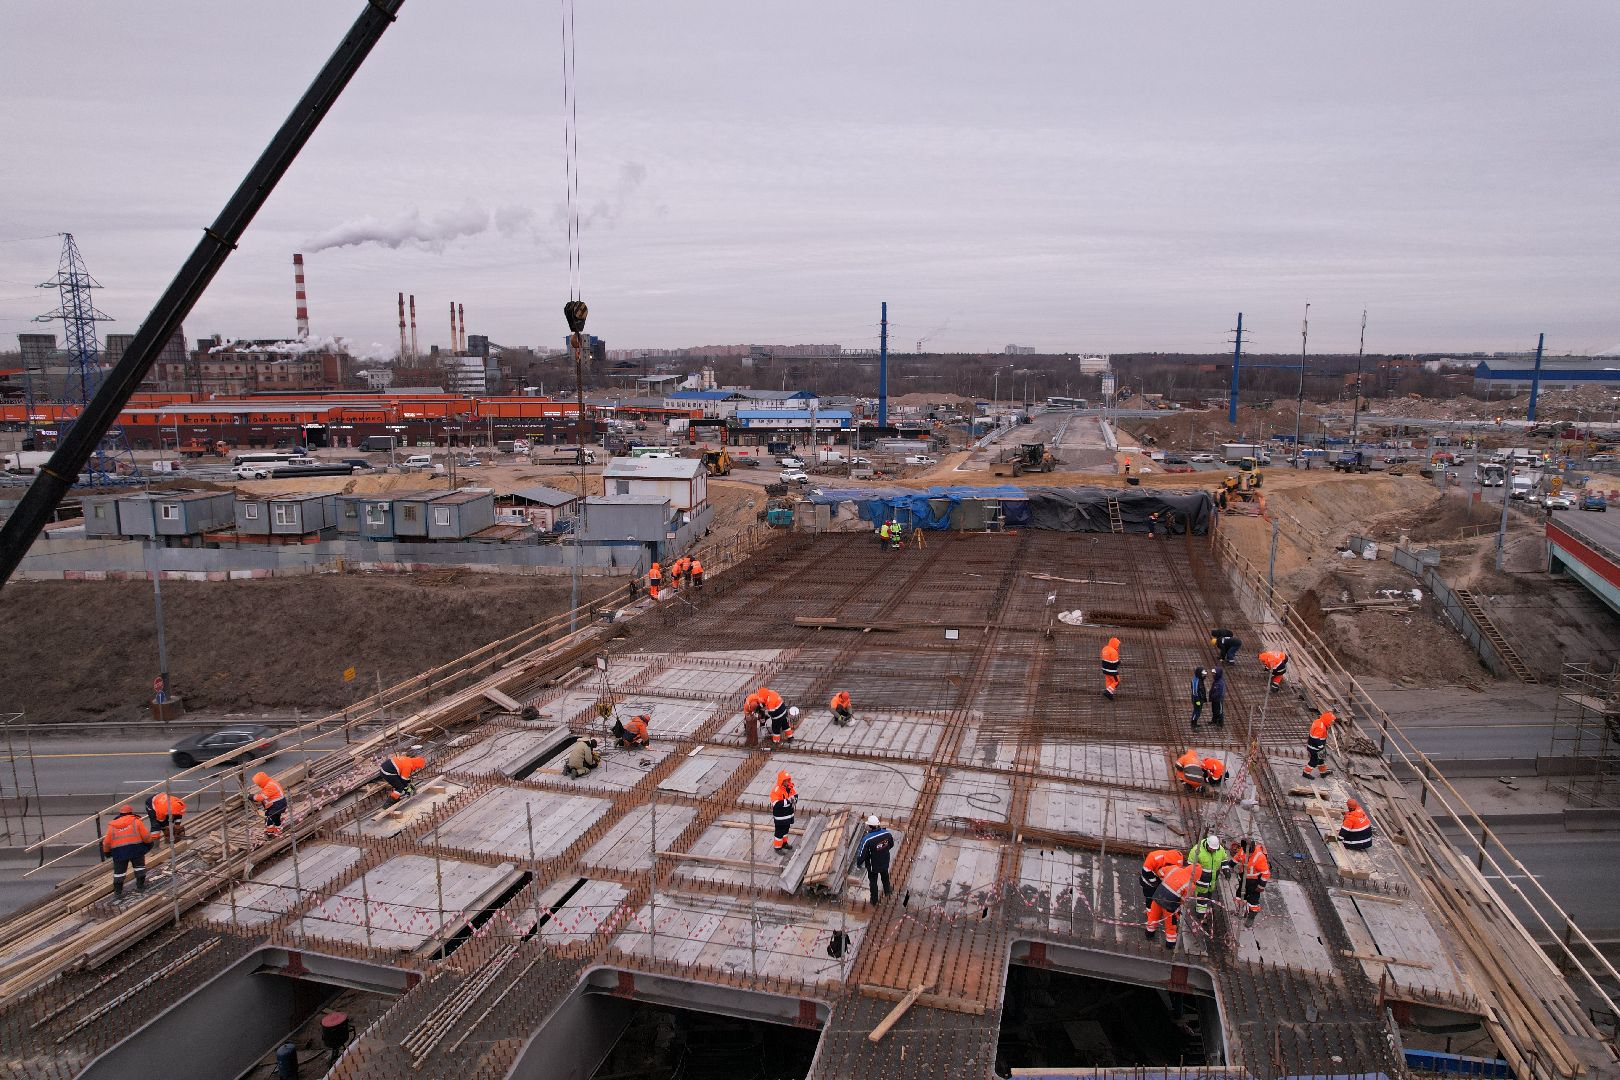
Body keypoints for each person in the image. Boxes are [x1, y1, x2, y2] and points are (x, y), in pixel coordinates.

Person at [1146, 862, 1202, 950]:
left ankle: (1149, 934)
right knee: (1171, 924)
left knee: (1153, 916)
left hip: (1157, 896)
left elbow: (1160, 872)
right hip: (1170, 905)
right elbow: (1184, 900)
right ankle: (1170, 943)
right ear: (1196, 877)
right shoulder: (1191, 885)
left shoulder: (1174, 868)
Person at [102, 804, 153, 897]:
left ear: (120, 813)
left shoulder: (113, 825)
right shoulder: (136, 821)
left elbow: (107, 842)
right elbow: (146, 836)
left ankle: (118, 892)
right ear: (131, 812)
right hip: (136, 849)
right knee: (140, 869)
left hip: (119, 852)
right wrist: (149, 844)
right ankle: (140, 887)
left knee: (119, 873)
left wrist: (107, 852)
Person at [854, 815, 895, 904]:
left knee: (873, 882)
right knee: (885, 875)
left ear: (870, 826)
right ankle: (887, 891)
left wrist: (858, 863)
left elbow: (862, 854)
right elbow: (891, 844)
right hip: (885, 861)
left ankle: (874, 900)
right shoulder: (886, 833)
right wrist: (883, 851)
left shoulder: (867, 839)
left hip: (873, 865)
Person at [1186, 833, 1229, 914]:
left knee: (1208, 896)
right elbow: (1190, 866)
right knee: (1202, 898)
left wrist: (1226, 869)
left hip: (1212, 880)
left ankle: (1205, 908)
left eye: (1214, 849)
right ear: (1207, 844)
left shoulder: (1220, 849)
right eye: (1211, 848)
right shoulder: (1197, 850)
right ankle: (1200, 914)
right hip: (1201, 881)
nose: (1213, 850)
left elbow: (1224, 859)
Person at [1231, 837, 1271, 923]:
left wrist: (1261, 886)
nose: (1247, 854)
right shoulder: (1243, 850)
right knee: (1240, 896)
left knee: (1253, 902)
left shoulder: (1259, 857)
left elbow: (1266, 873)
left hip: (1255, 882)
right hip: (1244, 879)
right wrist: (1229, 865)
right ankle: (1241, 911)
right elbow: (1237, 858)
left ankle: (1251, 918)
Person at [1139, 848, 1185, 918]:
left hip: (1160, 879)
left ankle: (1157, 912)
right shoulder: (1153, 857)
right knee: (1150, 898)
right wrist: (1156, 883)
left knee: (1159, 898)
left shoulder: (1175, 861)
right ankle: (1150, 914)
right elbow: (1146, 872)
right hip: (1148, 881)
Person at [252, 772, 287, 837]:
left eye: (258, 784)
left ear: (261, 781)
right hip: (278, 804)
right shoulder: (271, 783)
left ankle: (270, 833)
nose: (258, 785)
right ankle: (278, 829)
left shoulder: (269, 786)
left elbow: (261, 797)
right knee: (276, 818)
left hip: (277, 805)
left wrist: (252, 797)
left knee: (269, 818)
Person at [770, 770, 798, 851]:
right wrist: (788, 801)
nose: (787, 782)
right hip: (780, 817)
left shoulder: (790, 788)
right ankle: (778, 847)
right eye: (785, 781)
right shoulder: (776, 790)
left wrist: (792, 800)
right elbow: (776, 804)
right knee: (779, 832)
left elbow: (795, 797)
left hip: (788, 815)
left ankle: (784, 843)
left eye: (788, 780)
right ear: (781, 781)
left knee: (786, 830)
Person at [1304, 710, 1335, 779]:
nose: (1332, 723)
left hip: (1318, 747)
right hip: (1315, 748)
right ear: (1327, 720)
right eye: (1331, 721)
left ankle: (1323, 773)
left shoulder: (1318, 721)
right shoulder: (1321, 727)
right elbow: (1315, 738)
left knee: (1321, 759)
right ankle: (1306, 773)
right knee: (1314, 761)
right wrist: (1321, 747)